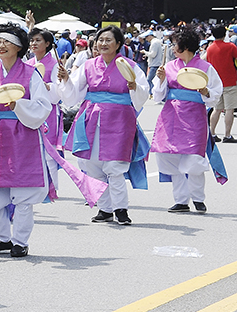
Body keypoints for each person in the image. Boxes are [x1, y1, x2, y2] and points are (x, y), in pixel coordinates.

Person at [0, 25, 60, 256]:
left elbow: (43, 105)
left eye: (7, 41)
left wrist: (20, 105)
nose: (1, 46)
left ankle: (20, 241)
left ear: (19, 46)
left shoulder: (30, 72)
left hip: (23, 135)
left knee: (23, 193)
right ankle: (2, 236)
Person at [60, 25, 150, 226]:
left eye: (108, 40)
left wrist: (135, 87)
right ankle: (105, 208)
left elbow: (142, 94)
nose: (103, 43)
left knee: (115, 166)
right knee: (92, 165)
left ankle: (120, 209)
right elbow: (74, 93)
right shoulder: (88, 65)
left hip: (120, 120)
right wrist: (66, 80)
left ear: (118, 44)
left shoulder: (130, 66)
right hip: (91, 119)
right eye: (100, 40)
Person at [151, 27, 222, 213]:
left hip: (194, 116)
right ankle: (181, 200)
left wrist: (206, 92)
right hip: (171, 115)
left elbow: (216, 92)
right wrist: (160, 80)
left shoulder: (206, 68)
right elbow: (158, 96)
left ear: (186, 46)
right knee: (171, 157)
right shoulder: (168, 67)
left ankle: (198, 198)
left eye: (176, 44)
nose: (173, 48)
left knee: (193, 159)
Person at [204, 24, 237, 142]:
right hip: (230, 80)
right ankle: (227, 135)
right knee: (229, 109)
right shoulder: (231, 46)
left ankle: (212, 133)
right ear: (224, 34)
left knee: (216, 109)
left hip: (216, 82)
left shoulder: (210, 48)